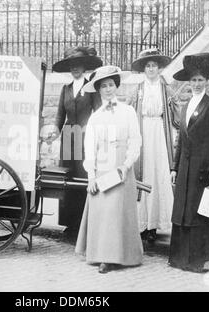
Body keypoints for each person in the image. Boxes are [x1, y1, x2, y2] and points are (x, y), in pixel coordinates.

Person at [75, 65, 144, 274]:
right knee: (104, 212)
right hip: (103, 170)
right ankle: (103, 256)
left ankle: (124, 255)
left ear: (117, 86)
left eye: (111, 85)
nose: (108, 89)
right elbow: (90, 149)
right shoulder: (95, 118)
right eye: (103, 86)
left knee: (119, 212)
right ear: (98, 90)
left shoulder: (128, 112)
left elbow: (135, 141)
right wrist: (91, 177)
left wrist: (126, 164)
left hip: (122, 168)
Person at [169, 53, 209, 273]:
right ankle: (181, 258)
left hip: (202, 168)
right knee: (184, 211)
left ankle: (202, 260)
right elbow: (180, 140)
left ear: (206, 81)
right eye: (193, 80)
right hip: (185, 168)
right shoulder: (185, 105)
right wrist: (174, 167)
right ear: (188, 82)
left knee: (201, 212)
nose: (196, 84)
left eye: (200, 80)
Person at [48, 46, 102, 237]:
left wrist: (91, 129)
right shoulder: (66, 89)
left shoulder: (92, 88)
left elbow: (99, 113)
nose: (75, 69)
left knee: (83, 178)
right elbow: (59, 116)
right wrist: (54, 131)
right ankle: (69, 224)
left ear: (84, 67)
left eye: (78, 65)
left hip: (86, 139)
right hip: (69, 138)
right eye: (72, 66)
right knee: (68, 180)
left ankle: (84, 224)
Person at [129, 48, 181, 243]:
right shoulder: (138, 90)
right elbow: (132, 112)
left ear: (159, 68)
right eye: (148, 66)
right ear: (144, 69)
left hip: (159, 132)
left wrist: (173, 104)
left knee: (159, 175)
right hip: (143, 133)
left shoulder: (166, 89)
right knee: (144, 174)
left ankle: (155, 224)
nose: (151, 69)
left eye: (154, 66)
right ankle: (142, 224)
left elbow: (175, 117)